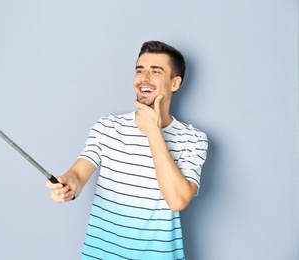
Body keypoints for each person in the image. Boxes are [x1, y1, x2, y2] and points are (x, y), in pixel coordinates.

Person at [46, 41, 208, 259]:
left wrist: (153, 132)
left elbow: (177, 200)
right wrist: (67, 185)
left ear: (175, 83)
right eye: (139, 70)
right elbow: (77, 174)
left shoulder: (193, 139)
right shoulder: (107, 126)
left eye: (155, 71)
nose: (144, 78)